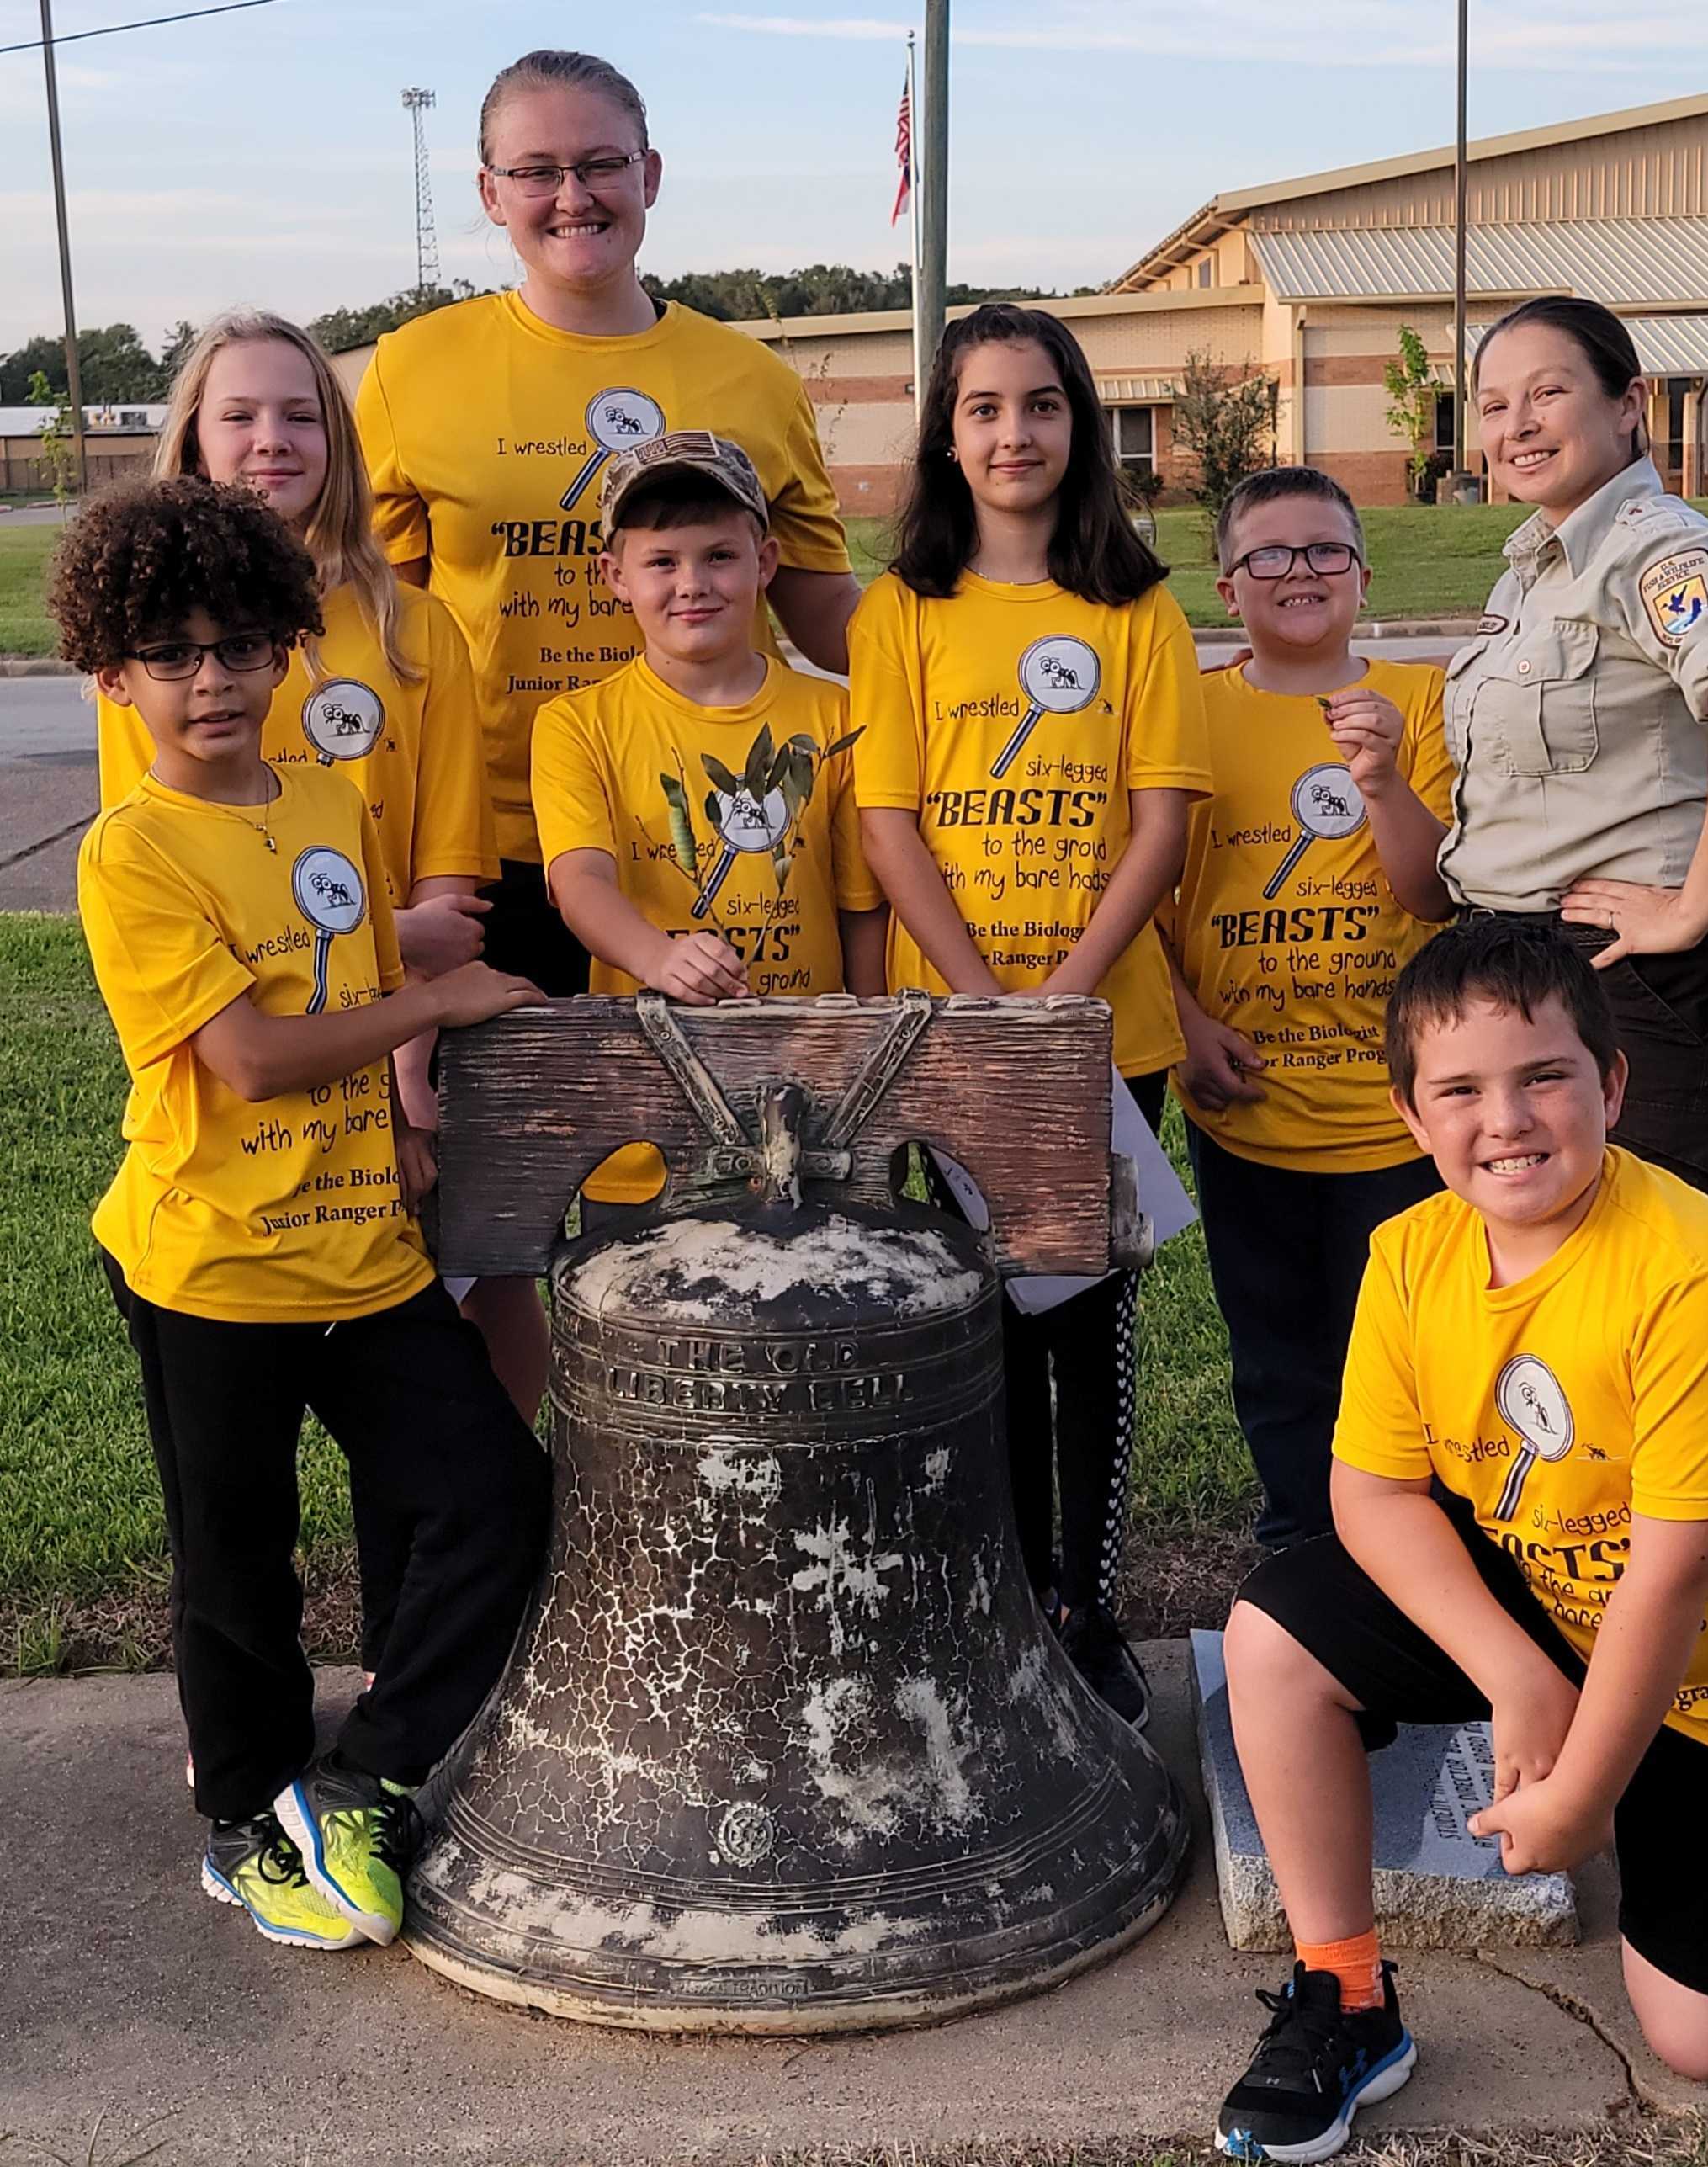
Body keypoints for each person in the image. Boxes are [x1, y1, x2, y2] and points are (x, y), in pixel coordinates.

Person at [1212, 921, 1708, 2163]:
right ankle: (1344, 1993)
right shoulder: (1411, 1253)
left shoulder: (1696, 1279)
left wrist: (1580, 1794)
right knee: (1271, 1635)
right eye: (1459, 1089)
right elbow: (1371, 1493)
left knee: (1701, 2038)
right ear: (1410, 1116)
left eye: (1542, 1076)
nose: (1505, 1120)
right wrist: (1517, 1676)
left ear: (1611, 1086)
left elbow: (1673, 1578)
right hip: (1555, 1593)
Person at [56, 476, 550, 1953]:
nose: (211, 679)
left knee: (498, 1498)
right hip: (211, 1266)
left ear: (286, 644)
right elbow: (254, 1058)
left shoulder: (329, 797)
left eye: (240, 644)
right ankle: (243, 1824)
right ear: (115, 676)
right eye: (171, 653)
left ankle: (360, 1780)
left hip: (362, 1252)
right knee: (236, 1566)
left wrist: (406, 1114)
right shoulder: (131, 849)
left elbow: (347, 972)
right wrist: (441, 999)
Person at [357, 45, 857, 1400]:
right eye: (536, 170)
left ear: (650, 174)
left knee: (721, 1204)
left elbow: (820, 600)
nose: (570, 196)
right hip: (491, 860)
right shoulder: (412, 370)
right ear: (488, 191)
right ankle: (512, 1487)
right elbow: (372, 619)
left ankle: (683, 1453)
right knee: (484, 1219)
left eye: (598, 165)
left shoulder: (746, 376)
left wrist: (959, 693)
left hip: (705, 863)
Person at [97, 312, 507, 1692]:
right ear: (193, 437)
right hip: (243, 1116)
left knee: (431, 1453)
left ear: (339, 441)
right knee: (233, 1514)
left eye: (299, 413)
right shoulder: (146, 635)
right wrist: (388, 948)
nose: (270, 440)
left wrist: (411, 1073)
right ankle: (244, 1747)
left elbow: (442, 889)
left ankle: (405, 1692)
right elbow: (172, 874)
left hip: (387, 1076)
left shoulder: (413, 627)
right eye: (238, 415)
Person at [851, 303, 1211, 1731]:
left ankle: (1085, 1609)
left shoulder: (1137, 610)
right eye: (986, 407)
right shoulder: (902, 610)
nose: (1015, 433)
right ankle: (997, 1603)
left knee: (1089, 1334)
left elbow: (1158, 826)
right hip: (954, 1040)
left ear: (1080, 425)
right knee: (983, 1325)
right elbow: (888, 825)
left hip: (1101, 1038)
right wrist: (982, 1006)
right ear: (947, 435)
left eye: (1043, 404)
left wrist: (1060, 1006)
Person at [1442, 294, 1708, 1204]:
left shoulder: (1656, 551)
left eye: (1547, 393)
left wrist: (1689, 910)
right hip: (1523, 965)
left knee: (1637, 1263)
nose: (1517, 426)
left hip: (1635, 981)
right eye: (1493, 405)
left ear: (1627, 403)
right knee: (1544, 1264)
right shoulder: (1538, 569)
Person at [1169, 466, 1453, 1549]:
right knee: (1279, 1360)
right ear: (1227, 587)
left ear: (1364, 575)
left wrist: (1382, 779)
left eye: (1325, 550)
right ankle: (1302, 1549)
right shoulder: (1192, 712)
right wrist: (1185, 1026)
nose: (1300, 571)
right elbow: (1142, 898)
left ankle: (1415, 1566)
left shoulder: (1421, 701)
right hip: (1248, 1106)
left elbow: (1432, 893)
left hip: (1397, 1111)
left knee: (1403, 1363)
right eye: (1269, 555)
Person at [533, 428, 885, 1219]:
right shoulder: (576, 724)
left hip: (811, 1098)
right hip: (650, 1107)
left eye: (719, 556)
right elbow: (578, 882)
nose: (692, 584)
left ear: (765, 562)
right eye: (661, 562)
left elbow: (862, 907)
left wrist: (866, 1049)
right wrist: (657, 956)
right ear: (615, 577)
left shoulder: (834, 716)